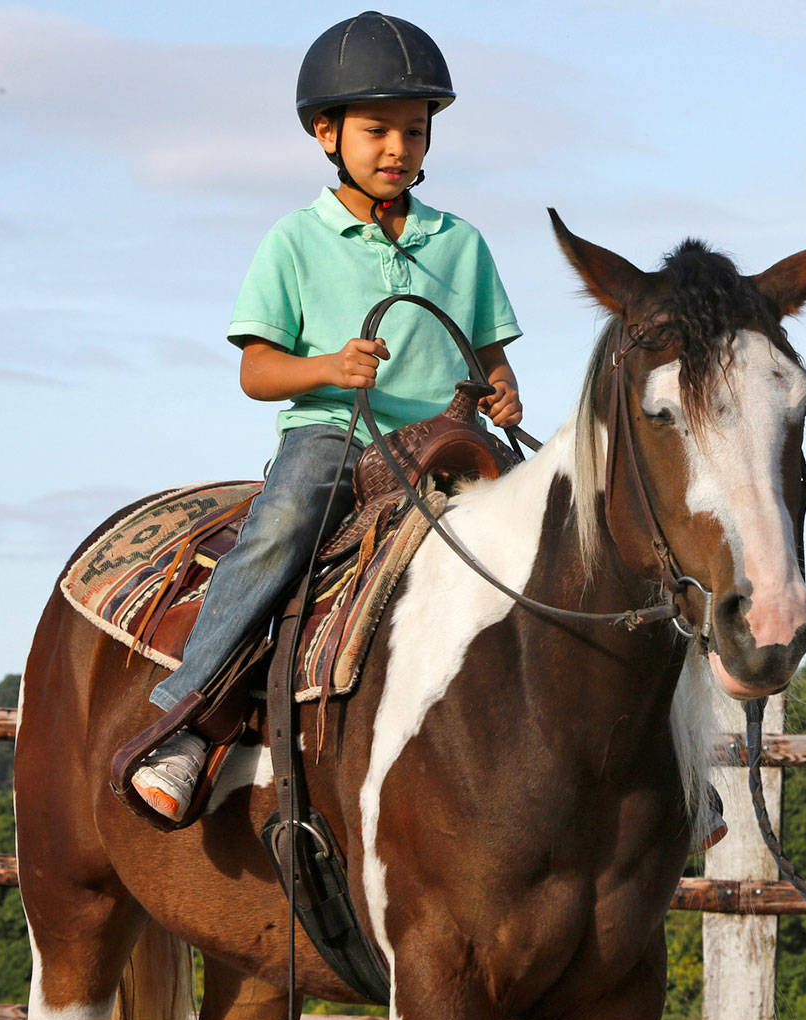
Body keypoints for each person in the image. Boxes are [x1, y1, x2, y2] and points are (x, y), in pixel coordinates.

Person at [130, 11, 525, 824]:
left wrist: (503, 394)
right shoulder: (295, 241)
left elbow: (489, 358)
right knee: (280, 527)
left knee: (569, 525)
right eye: (377, 130)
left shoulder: (462, 243)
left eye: (414, 133)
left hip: (450, 437)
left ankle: (656, 752)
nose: (398, 150)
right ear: (325, 134)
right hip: (336, 436)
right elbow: (256, 371)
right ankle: (186, 721)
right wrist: (329, 370)